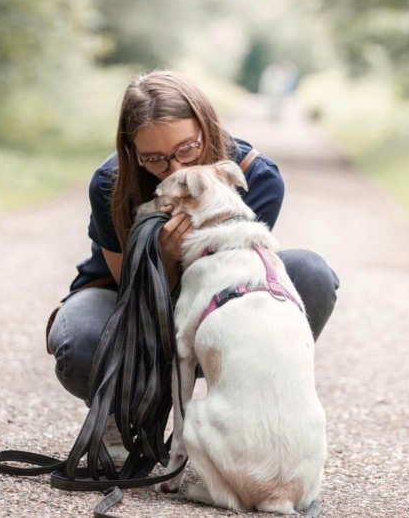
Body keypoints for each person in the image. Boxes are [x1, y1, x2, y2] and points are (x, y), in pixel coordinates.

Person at [46, 70, 339, 406]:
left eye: (186, 149)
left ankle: (242, 406)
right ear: (132, 151)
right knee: (80, 339)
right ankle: (122, 407)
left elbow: (236, 271)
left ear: (206, 126)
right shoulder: (110, 181)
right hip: (125, 300)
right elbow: (128, 287)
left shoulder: (256, 176)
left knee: (309, 274)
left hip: (216, 297)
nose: (174, 170)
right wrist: (165, 261)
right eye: (153, 159)